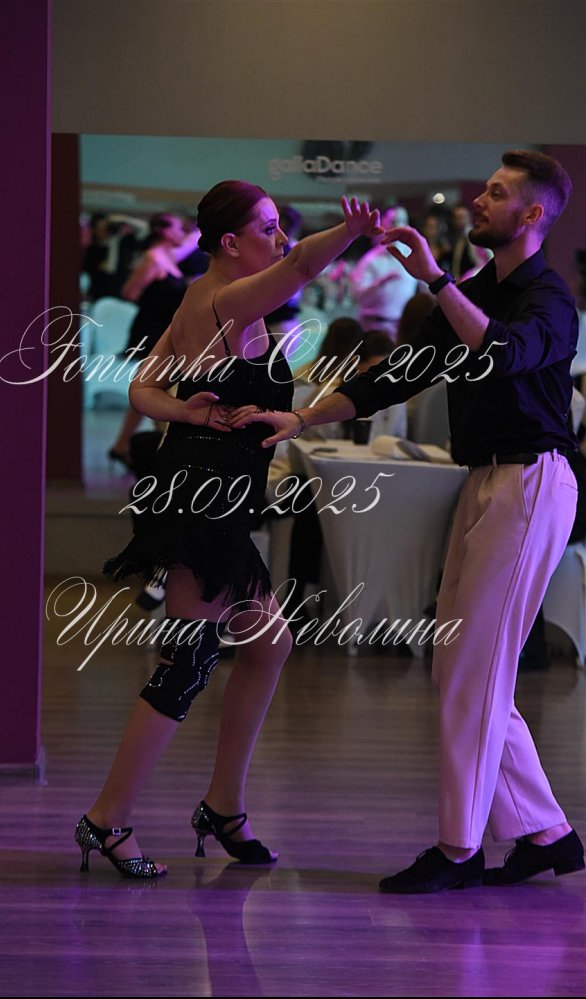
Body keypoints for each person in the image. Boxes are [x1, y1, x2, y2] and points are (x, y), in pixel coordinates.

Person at [232, 150, 584, 892]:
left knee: (474, 671)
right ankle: (545, 832)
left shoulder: (549, 300)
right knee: (459, 666)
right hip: (484, 480)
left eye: (495, 193)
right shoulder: (478, 290)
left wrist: (435, 280)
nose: (477, 200)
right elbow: (396, 374)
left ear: (532, 215)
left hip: (531, 483)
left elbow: (502, 354)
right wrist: (302, 417)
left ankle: (459, 850)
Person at [74, 180, 383, 879]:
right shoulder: (224, 300)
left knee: (270, 643)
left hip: (212, 495)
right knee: (186, 664)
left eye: (279, 227)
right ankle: (106, 818)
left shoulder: (203, 299)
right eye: (267, 227)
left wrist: (186, 411)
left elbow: (143, 388)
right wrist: (350, 231)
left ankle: (224, 804)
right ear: (230, 242)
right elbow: (301, 265)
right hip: (200, 502)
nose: (279, 238)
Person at [108, 213, 199, 469]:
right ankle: (163, 450)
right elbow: (129, 291)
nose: (183, 233)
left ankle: (123, 446)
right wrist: (156, 298)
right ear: (165, 231)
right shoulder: (153, 258)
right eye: (179, 228)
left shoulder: (168, 257)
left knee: (152, 388)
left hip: (164, 330)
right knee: (156, 388)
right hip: (153, 330)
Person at [349, 205, 419, 339]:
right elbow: (357, 296)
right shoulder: (371, 259)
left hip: (400, 328)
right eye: (394, 222)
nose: (398, 226)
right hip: (373, 327)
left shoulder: (413, 256)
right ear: (384, 224)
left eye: (402, 221)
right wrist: (380, 282)